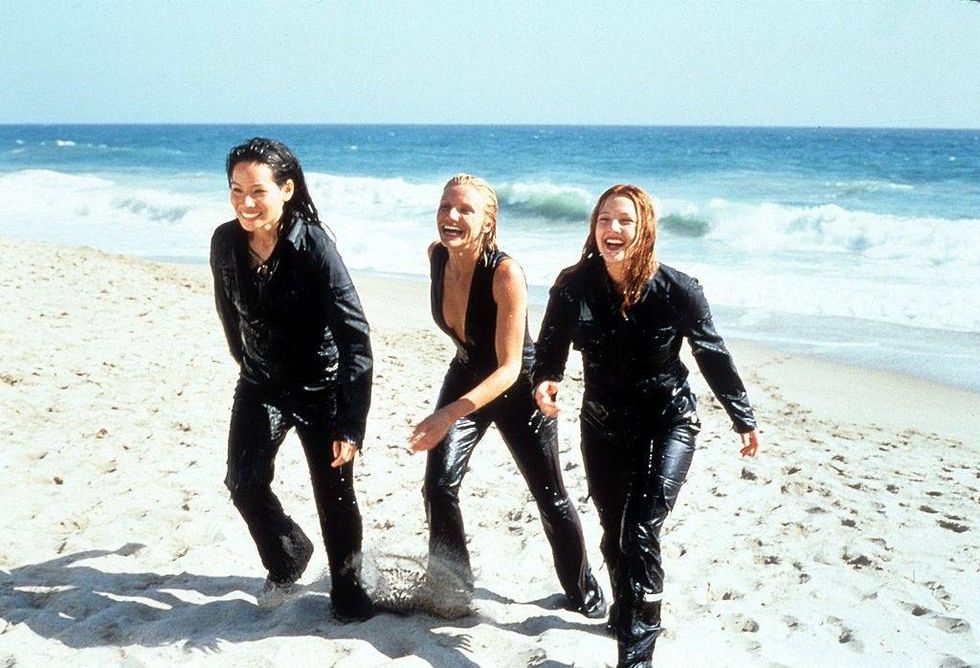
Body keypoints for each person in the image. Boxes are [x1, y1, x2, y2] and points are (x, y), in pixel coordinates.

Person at [532, 184, 760, 667]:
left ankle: (636, 654)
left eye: (625, 221)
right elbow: (549, 351)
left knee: (640, 529)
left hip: (668, 420)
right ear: (593, 227)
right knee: (615, 531)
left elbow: (712, 354)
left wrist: (742, 416)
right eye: (604, 220)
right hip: (603, 424)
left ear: (644, 230)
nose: (613, 230)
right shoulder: (573, 286)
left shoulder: (678, 289)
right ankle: (627, 608)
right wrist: (545, 382)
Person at [408, 174, 605, 619]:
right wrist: (452, 410)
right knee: (439, 485)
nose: (451, 217)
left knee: (550, 495)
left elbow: (509, 367)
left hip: (518, 387)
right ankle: (451, 588)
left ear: (488, 222)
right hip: (466, 371)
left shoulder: (504, 273)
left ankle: (584, 595)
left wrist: (445, 417)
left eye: (464, 211)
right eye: (445, 207)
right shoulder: (437, 256)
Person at [210, 137, 375, 622]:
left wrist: (350, 423)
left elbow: (355, 335)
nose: (245, 202)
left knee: (334, 494)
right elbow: (229, 313)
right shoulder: (224, 241)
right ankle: (287, 556)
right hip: (261, 383)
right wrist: (249, 365)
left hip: (322, 387)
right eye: (236, 189)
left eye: (257, 191)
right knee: (244, 483)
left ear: (286, 189)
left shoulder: (314, 245)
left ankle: (348, 589)